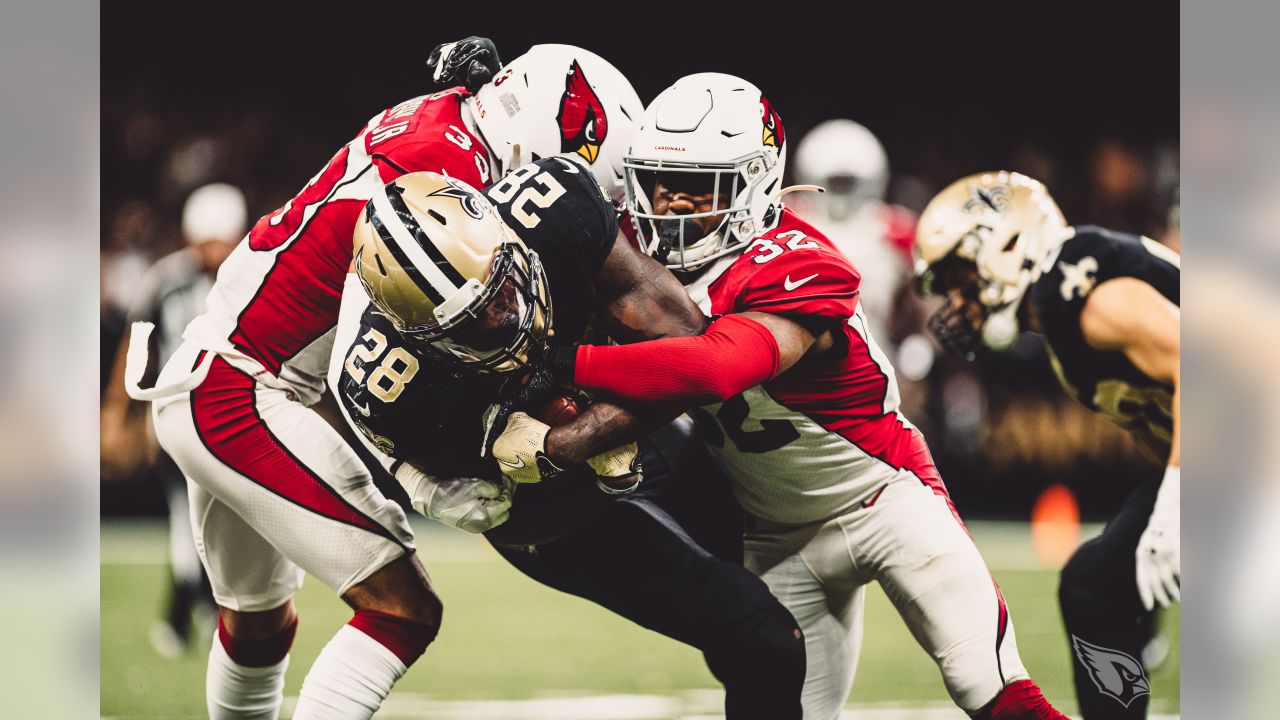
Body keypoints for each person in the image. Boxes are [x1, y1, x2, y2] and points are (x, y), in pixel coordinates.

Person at [492, 74, 1069, 720]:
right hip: (776, 536)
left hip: (884, 501)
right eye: (659, 183)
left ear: (755, 185)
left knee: (984, 683)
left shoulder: (801, 261)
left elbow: (715, 368)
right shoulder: (637, 258)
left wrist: (567, 363)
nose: (672, 206)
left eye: (698, 189)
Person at [121, 42, 641, 719]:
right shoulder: (439, 172)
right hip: (243, 392)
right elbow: (358, 367)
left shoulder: (456, 124)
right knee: (403, 610)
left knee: (259, 624)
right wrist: (427, 480)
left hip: (217, 374)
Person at [329, 160, 807, 719]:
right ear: (417, 335)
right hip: (560, 516)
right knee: (765, 636)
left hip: (626, 440)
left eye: (501, 287)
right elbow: (509, 520)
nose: (505, 318)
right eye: (469, 323)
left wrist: (569, 442)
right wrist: (572, 457)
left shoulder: (553, 209)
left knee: (745, 629)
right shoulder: (390, 387)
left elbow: (690, 348)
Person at [912, 171, 1180, 719]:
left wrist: (1179, 498)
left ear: (1007, 244)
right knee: (1099, 584)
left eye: (962, 278)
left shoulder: (1075, 284)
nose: (958, 302)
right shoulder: (1061, 323)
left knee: (1094, 584)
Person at [102, 183, 244, 657]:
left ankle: (199, 606)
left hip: (234, 419)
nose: (214, 249)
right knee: (187, 519)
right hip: (174, 419)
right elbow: (134, 348)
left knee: (222, 521)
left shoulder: (248, 276)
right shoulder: (165, 280)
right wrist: (117, 413)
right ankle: (189, 610)